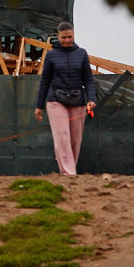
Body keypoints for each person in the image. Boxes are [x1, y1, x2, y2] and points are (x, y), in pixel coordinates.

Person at [34, 22, 97, 176]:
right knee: (62, 136)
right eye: (64, 37)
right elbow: (45, 81)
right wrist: (39, 106)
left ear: (73, 35)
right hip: (56, 100)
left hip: (77, 100)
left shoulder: (81, 54)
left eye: (69, 37)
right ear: (58, 36)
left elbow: (88, 79)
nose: (67, 40)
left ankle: (70, 170)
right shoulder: (51, 55)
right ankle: (68, 172)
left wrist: (91, 98)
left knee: (75, 139)